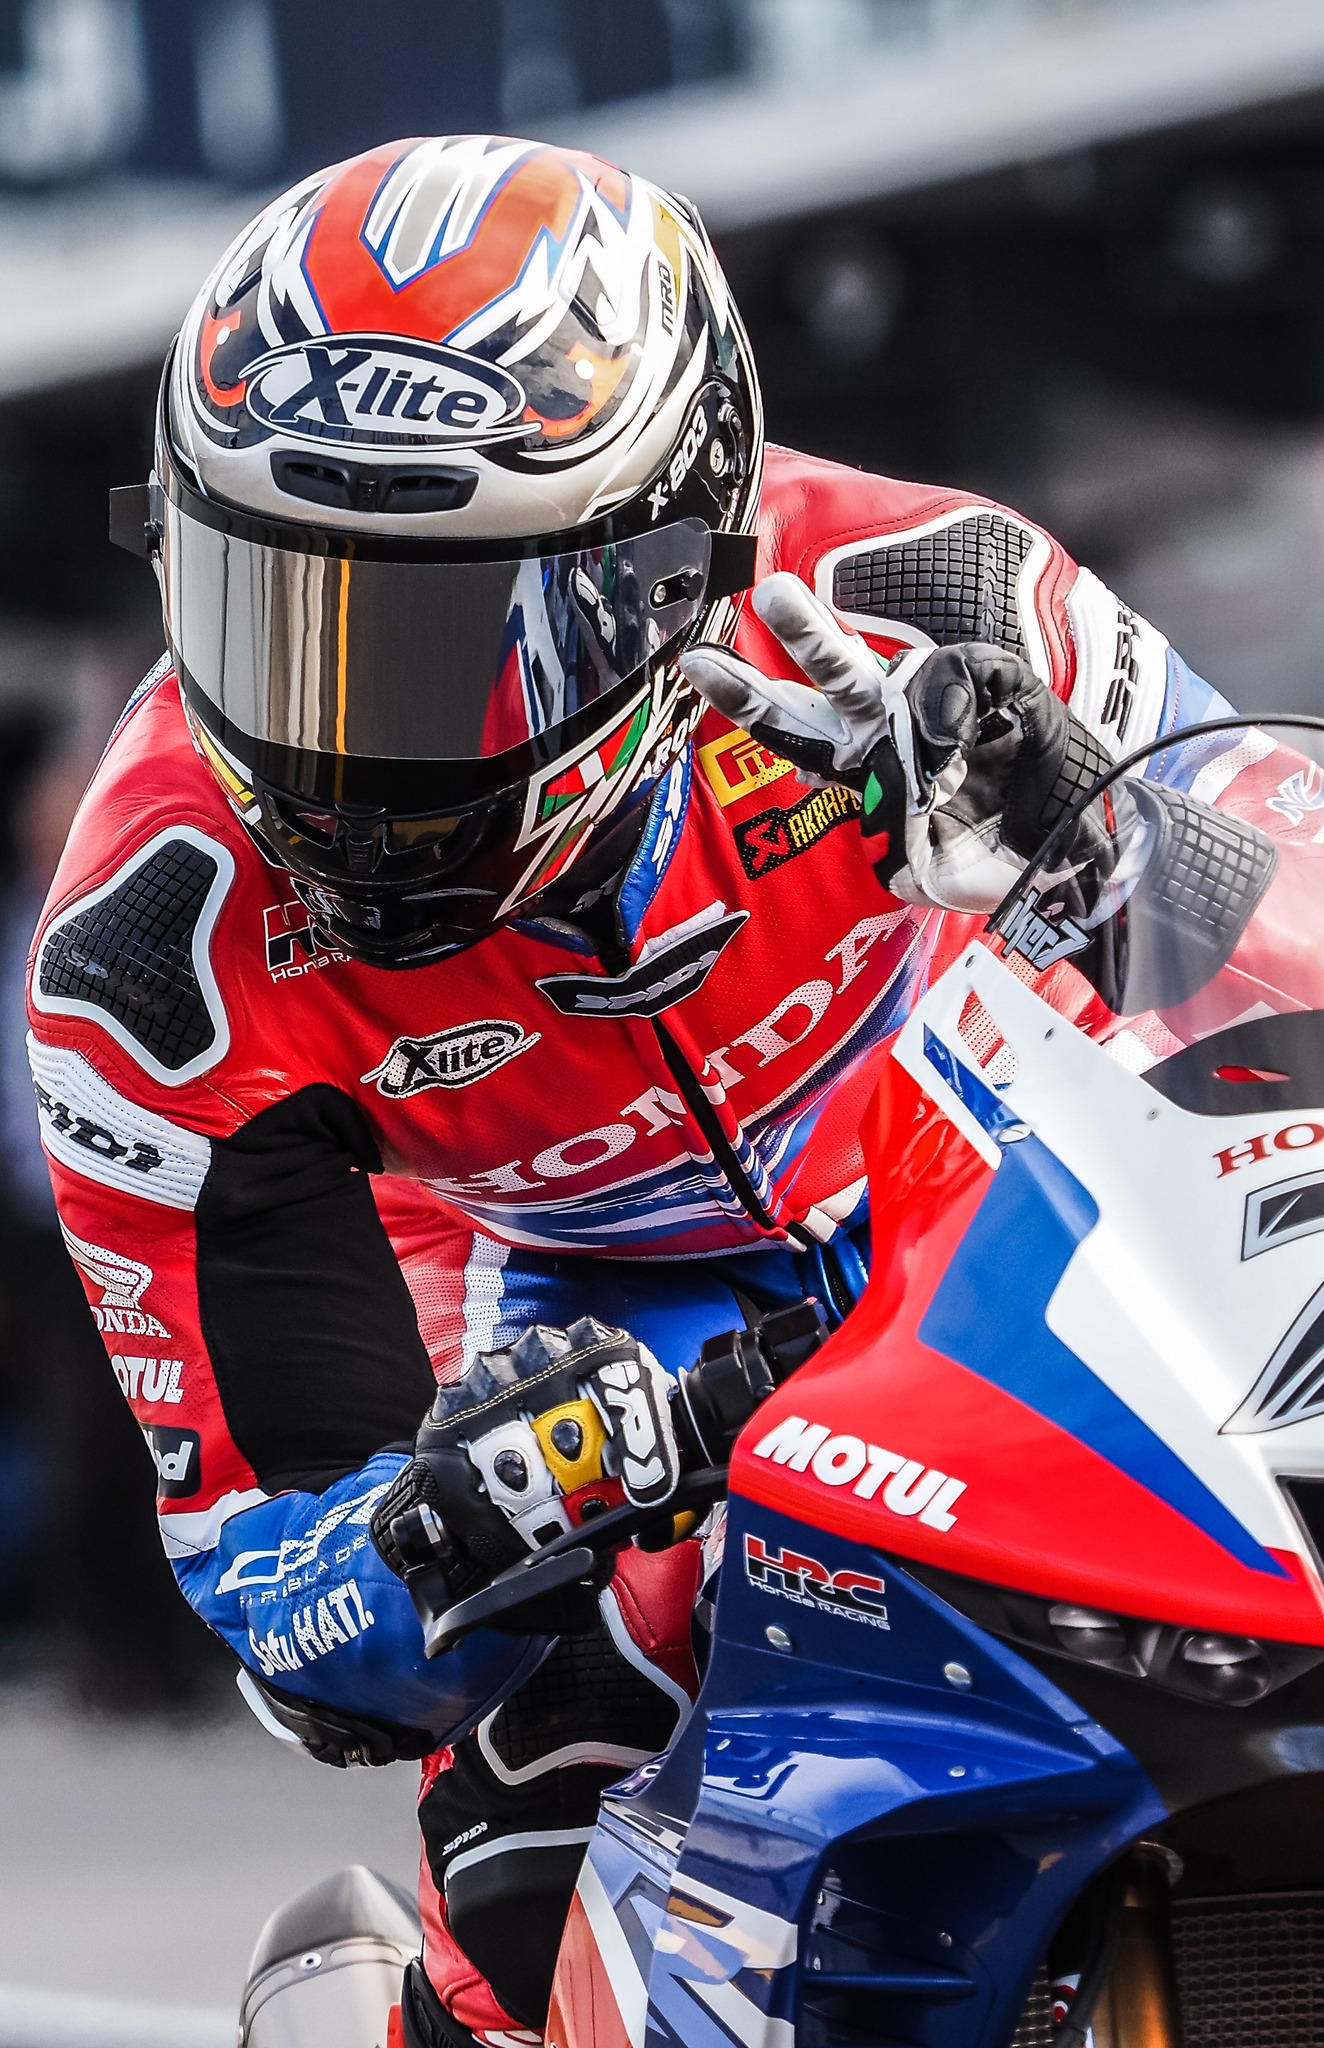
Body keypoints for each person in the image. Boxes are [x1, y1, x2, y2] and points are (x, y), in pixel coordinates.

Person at [25, 135, 1232, 2048]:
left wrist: (1090, 848)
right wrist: (488, 1505)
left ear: (668, 578)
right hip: (584, 1344)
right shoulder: (151, 951)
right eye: (274, 615)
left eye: (436, 646)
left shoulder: (943, 597)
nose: (336, 751)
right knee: (527, 1886)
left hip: (1026, 1246)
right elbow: (288, 1610)